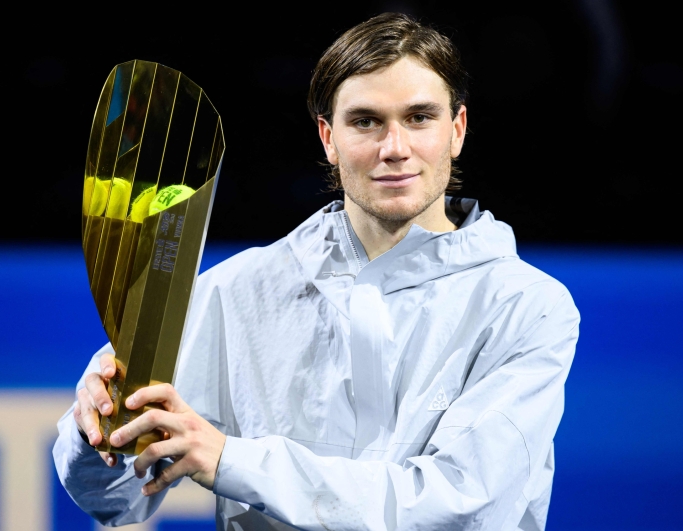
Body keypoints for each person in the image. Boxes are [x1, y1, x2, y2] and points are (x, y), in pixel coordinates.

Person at [54, 12, 579, 531]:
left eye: (419, 118)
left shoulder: (526, 306)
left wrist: (232, 461)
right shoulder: (235, 292)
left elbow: (459, 507)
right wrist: (100, 431)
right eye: (366, 121)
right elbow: (113, 501)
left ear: (457, 129)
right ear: (328, 137)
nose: (395, 148)